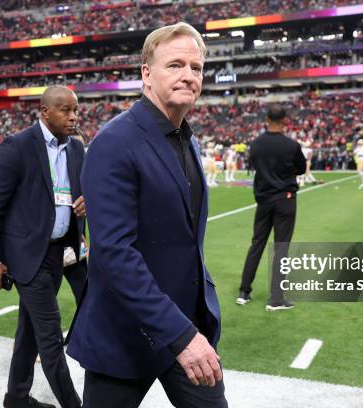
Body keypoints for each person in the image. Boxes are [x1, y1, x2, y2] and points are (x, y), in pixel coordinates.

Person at [66, 22, 227, 408]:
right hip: (125, 333)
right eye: (175, 65)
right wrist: (181, 335)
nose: (189, 75)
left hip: (184, 323)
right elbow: (115, 254)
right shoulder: (114, 142)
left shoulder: (185, 138)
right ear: (146, 73)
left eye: (196, 67)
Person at [0, 85, 86, 408]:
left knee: (30, 330)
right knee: (50, 336)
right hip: (27, 256)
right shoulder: (18, 146)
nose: (73, 117)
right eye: (66, 110)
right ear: (45, 112)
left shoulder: (77, 149)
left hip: (61, 253)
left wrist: (87, 204)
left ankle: (16, 398)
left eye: (76, 110)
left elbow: (80, 192)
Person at [236, 105, 306, 310]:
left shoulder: (256, 144)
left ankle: (244, 291)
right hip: (285, 198)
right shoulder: (291, 145)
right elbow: (301, 168)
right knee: (281, 247)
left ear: (266, 119)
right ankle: (276, 298)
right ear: (285, 120)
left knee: (256, 244)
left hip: (264, 199)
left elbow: (254, 166)